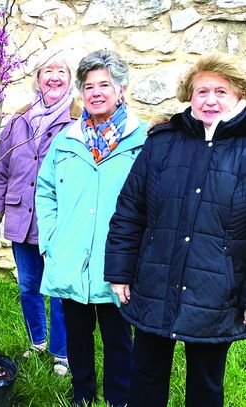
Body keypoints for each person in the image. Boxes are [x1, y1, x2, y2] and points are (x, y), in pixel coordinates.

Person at [105, 53, 246, 407]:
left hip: (218, 289)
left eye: (220, 91)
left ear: (239, 95)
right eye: (201, 91)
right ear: (189, 95)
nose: (210, 100)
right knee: (146, 376)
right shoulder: (163, 142)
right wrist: (120, 270)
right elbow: (130, 211)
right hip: (156, 281)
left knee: (206, 384)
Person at [36, 50, 147, 406]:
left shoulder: (142, 140)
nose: (96, 92)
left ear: (121, 90)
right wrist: (51, 239)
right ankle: (82, 395)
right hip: (70, 256)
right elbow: (46, 190)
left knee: (118, 337)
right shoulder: (66, 140)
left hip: (117, 261)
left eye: (104, 85)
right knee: (77, 335)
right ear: (80, 93)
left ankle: (119, 398)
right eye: (89, 86)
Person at [0, 50, 73, 376]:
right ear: (37, 79)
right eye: (47, 71)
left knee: (60, 288)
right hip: (22, 218)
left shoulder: (79, 121)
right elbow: (1, 172)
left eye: (61, 71)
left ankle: (61, 351)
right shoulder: (18, 122)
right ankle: (37, 341)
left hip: (59, 222)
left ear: (70, 79)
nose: (54, 77)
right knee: (28, 285)